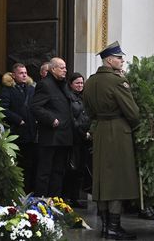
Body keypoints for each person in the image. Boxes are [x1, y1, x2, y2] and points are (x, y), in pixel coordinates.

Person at [83, 41, 139, 240]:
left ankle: (107, 226)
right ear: (109, 60)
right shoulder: (117, 81)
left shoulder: (90, 82)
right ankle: (114, 227)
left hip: (100, 131)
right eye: (119, 58)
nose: (122, 61)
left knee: (102, 180)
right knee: (117, 181)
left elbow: (88, 111)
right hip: (118, 132)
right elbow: (132, 112)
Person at [31, 57, 73, 197]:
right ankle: (41, 201)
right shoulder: (45, 84)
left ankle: (55, 201)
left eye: (65, 67)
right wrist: (51, 119)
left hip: (64, 136)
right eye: (61, 67)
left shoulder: (63, 85)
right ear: (52, 69)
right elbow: (36, 107)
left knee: (59, 171)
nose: (65, 70)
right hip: (50, 136)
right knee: (45, 171)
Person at [0, 63, 37, 194]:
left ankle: (29, 190)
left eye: (25, 72)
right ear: (14, 75)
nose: (24, 75)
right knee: (20, 163)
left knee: (30, 164)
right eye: (21, 73)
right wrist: (17, 119)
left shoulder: (31, 89)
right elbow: (3, 109)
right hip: (17, 133)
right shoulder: (8, 90)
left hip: (31, 132)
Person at [63, 72, 91, 209]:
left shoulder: (86, 97)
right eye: (77, 83)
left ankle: (75, 197)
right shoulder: (68, 97)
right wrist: (82, 132)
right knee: (70, 169)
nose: (80, 85)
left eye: (81, 83)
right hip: (74, 138)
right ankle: (67, 197)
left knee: (80, 169)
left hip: (85, 138)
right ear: (71, 84)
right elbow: (70, 118)